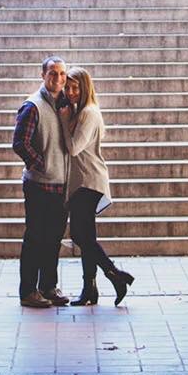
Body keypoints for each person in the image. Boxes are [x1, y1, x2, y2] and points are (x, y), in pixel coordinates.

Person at [59, 66, 135, 306]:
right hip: (83, 182)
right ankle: (90, 290)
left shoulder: (89, 113)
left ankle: (115, 275)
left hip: (89, 181)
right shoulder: (80, 111)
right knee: (87, 237)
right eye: (67, 88)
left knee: (79, 235)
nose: (70, 92)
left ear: (85, 88)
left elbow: (74, 148)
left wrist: (64, 122)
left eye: (75, 88)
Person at [12, 55, 70, 308]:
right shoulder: (33, 106)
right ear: (43, 76)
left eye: (62, 73)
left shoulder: (66, 104)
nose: (58, 78)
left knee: (54, 239)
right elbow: (19, 143)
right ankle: (28, 291)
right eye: (52, 73)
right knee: (35, 238)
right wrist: (42, 164)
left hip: (61, 184)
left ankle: (48, 286)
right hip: (39, 184)